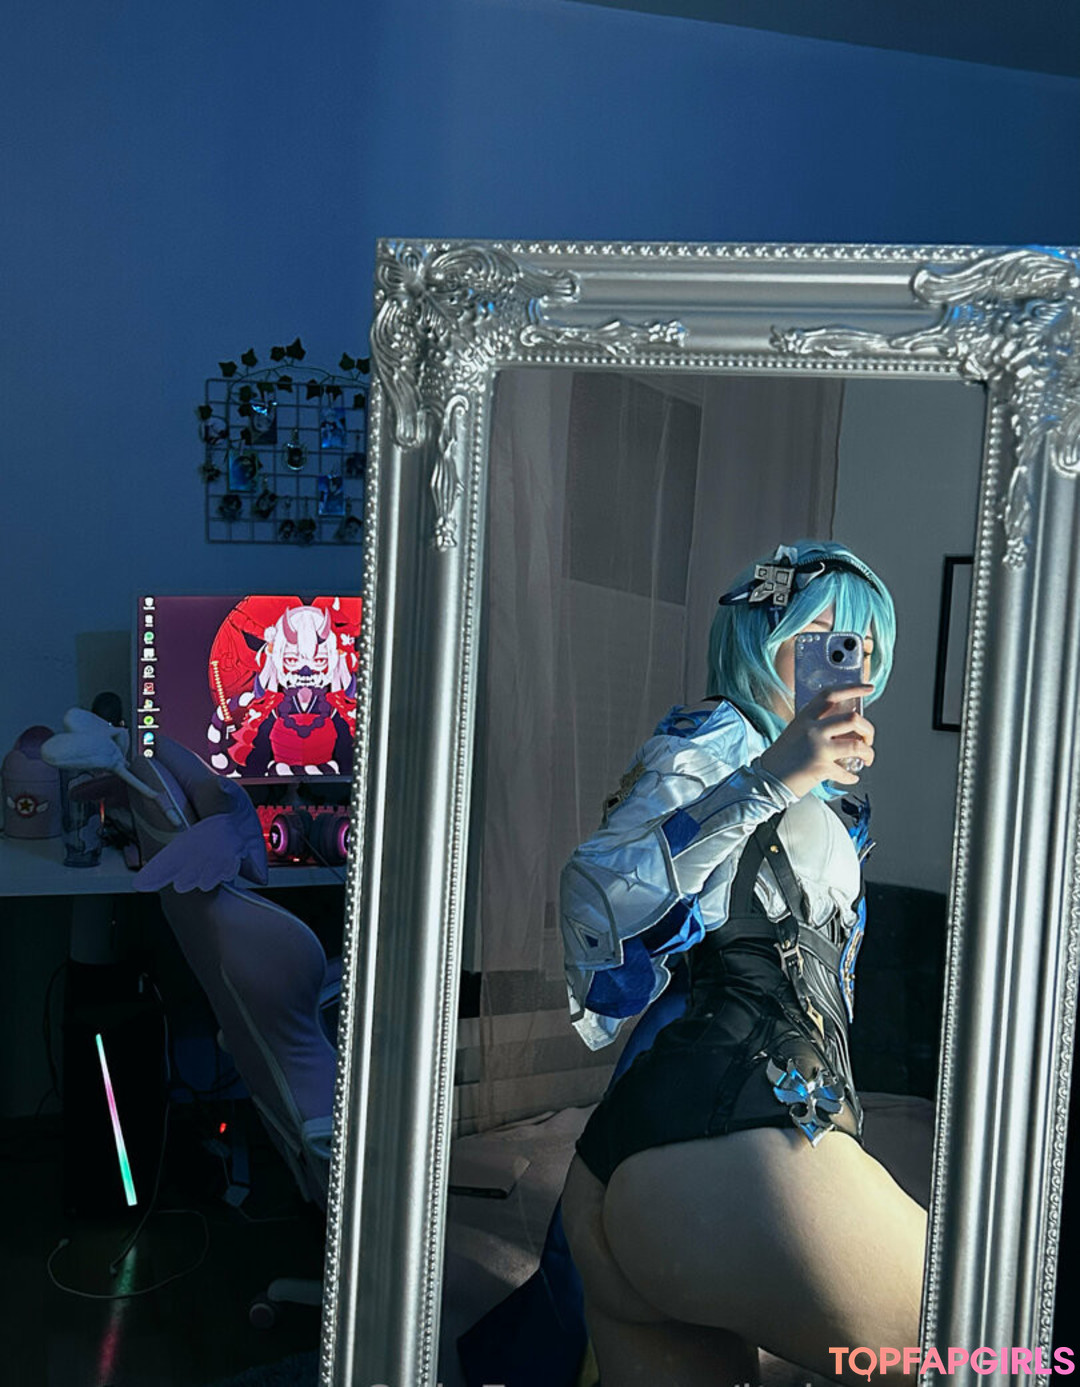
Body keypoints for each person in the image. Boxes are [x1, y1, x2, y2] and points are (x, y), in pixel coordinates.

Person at [558, 540, 926, 1387]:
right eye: (825, 637)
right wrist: (767, 778)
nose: (853, 662)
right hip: (729, 1145)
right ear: (762, 640)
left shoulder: (820, 790)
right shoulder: (717, 743)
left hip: (671, 1161)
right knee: (1014, 1341)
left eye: (865, 644)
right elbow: (597, 896)